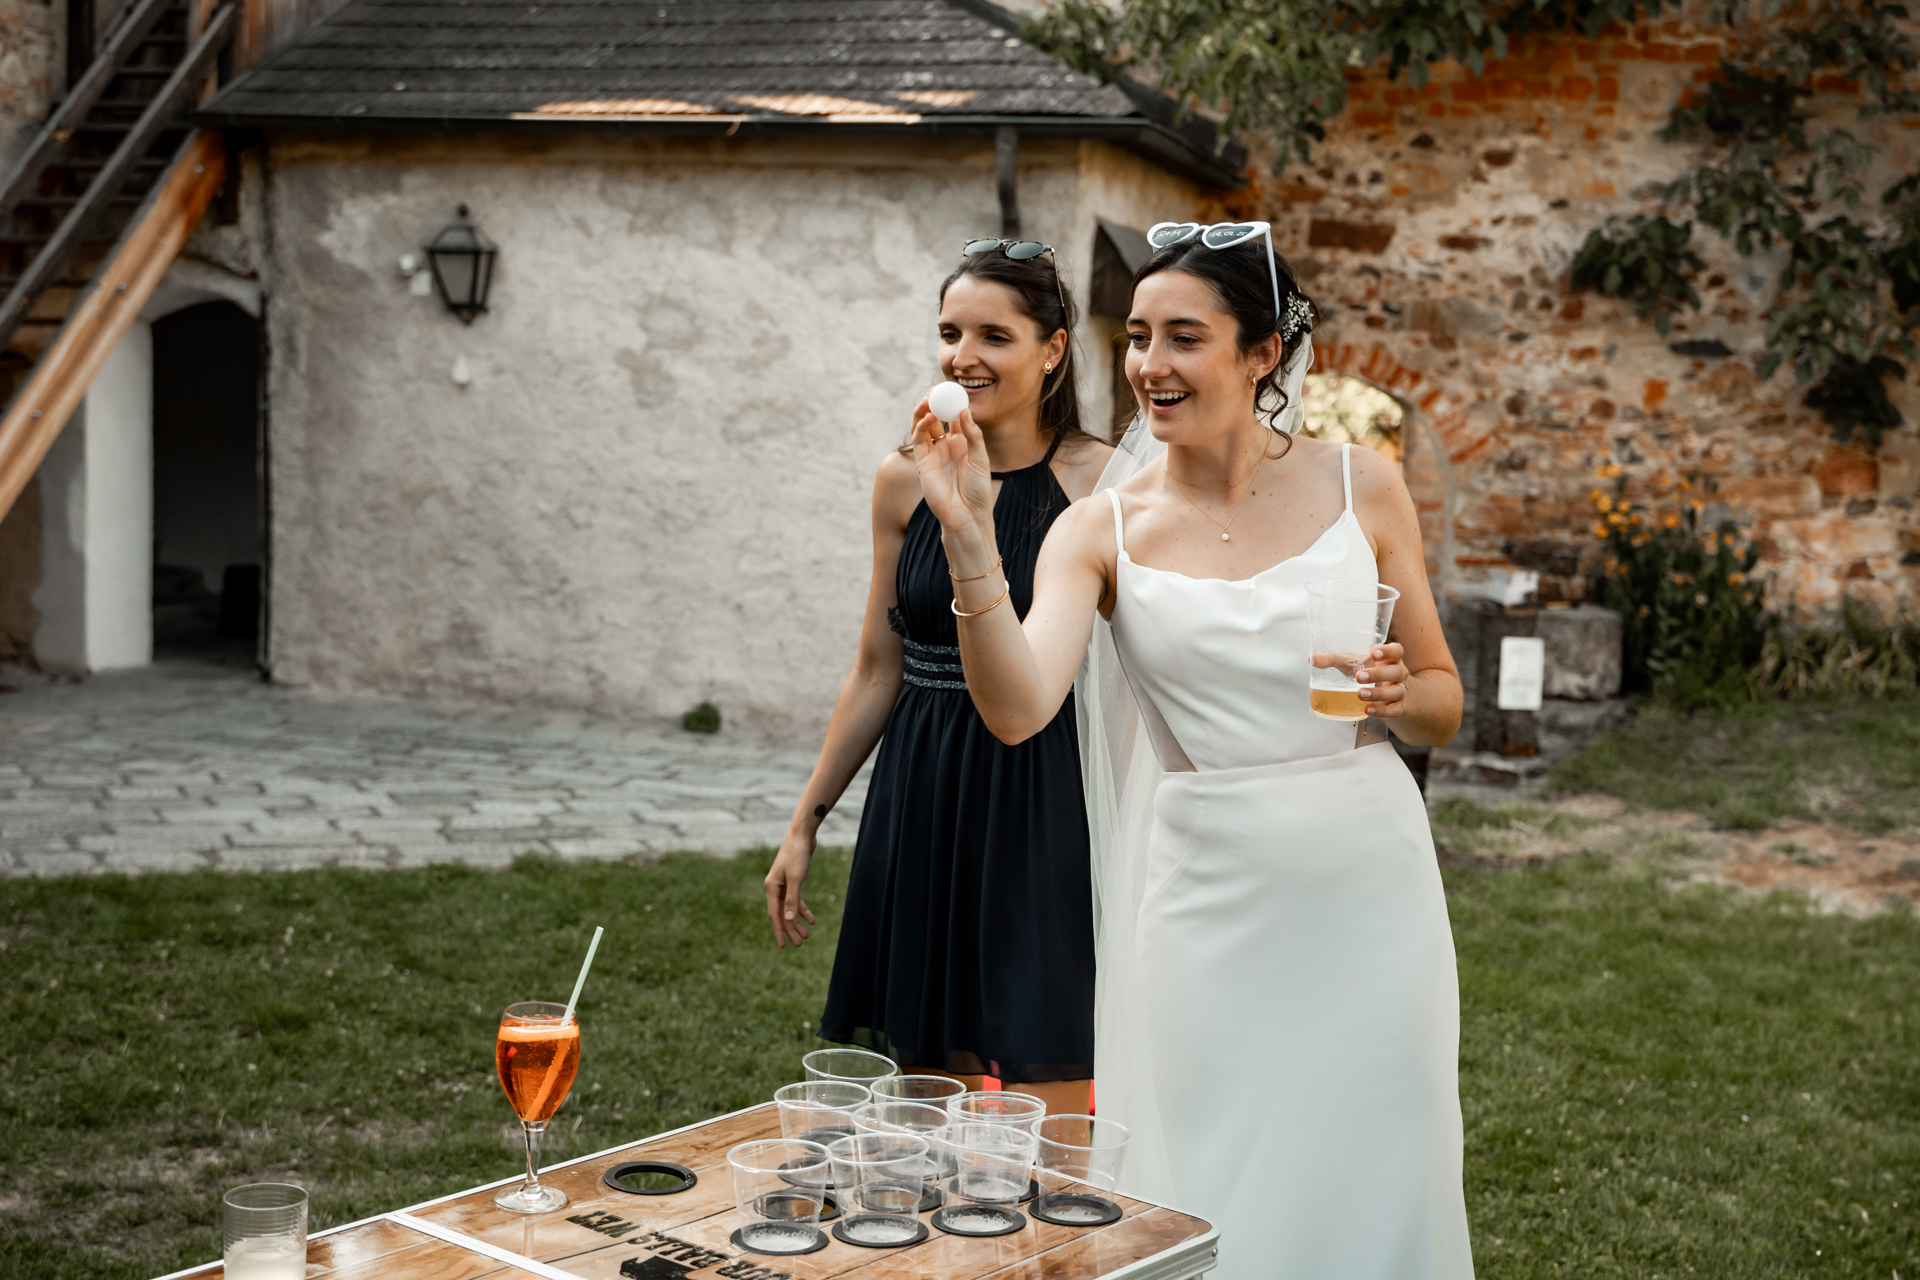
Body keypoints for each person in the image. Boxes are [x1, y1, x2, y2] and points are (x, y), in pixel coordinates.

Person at [908, 221, 1475, 1278]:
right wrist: (968, 535)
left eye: (1183, 337)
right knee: (1219, 1170)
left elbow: (1443, 702)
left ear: (1263, 353)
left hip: (1369, 884)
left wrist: (1404, 695)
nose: (1149, 365)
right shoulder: (1102, 528)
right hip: (1206, 897)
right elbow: (1018, 706)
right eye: (1137, 338)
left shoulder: (1366, 486)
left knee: (1380, 1160)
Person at [764, 239, 1113, 1114]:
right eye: (951, 332)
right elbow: (875, 669)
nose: (964, 356)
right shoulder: (902, 480)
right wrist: (805, 824)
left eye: (994, 335)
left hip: (1044, 793)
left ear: (1053, 349)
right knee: (930, 1095)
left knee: (1051, 1059)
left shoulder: (1104, 483)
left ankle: (1061, 1207)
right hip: (924, 789)